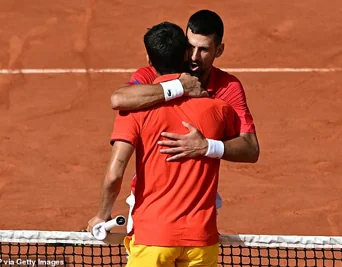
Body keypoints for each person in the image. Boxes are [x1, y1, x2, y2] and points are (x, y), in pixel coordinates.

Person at [88, 21, 240, 267]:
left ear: (149, 58)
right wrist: (209, 146)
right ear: (185, 55)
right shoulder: (220, 110)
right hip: (201, 241)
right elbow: (247, 147)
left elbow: (115, 174)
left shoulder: (134, 111)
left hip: (153, 238)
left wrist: (101, 216)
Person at [111, 9, 260, 233]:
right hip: (148, 205)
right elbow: (120, 98)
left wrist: (207, 146)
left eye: (204, 50)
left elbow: (250, 149)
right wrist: (179, 87)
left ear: (219, 50)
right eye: (190, 47)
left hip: (197, 210)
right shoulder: (157, 73)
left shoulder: (228, 88)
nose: (193, 57)